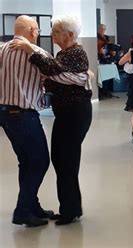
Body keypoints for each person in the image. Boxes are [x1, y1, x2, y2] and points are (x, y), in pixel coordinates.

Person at [10, 15, 93, 225]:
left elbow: (52, 70)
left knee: (66, 160)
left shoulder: (75, 52)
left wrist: (29, 49)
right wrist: (80, 78)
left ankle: (70, 210)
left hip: (75, 114)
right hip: (66, 114)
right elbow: (56, 76)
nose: (51, 35)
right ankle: (70, 207)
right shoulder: (64, 53)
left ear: (70, 35)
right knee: (61, 159)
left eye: (56, 32)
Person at [0, 15, 53, 227]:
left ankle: (32, 205)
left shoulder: (2, 49)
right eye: (38, 30)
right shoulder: (37, 53)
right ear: (31, 30)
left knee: (27, 161)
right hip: (23, 114)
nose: (38, 33)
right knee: (40, 161)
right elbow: (53, 76)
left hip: (4, 113)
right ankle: (22, 210)